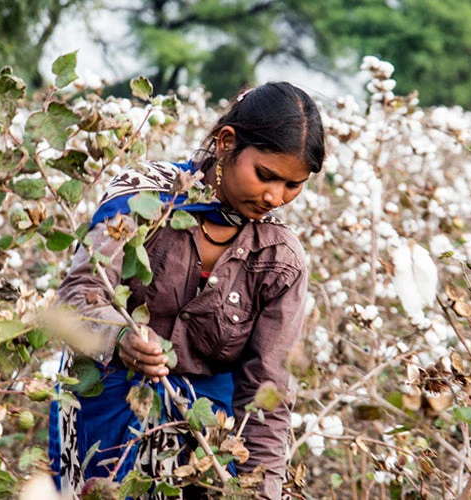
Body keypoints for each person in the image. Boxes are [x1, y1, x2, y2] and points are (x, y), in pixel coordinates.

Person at [49, 81, 325, 499]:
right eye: (266, 176)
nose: (275, 197)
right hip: (101, 426)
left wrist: (258, 491)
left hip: (201, 448)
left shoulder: (279, 259)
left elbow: (268, 391)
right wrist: (120, 337)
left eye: (293, 185)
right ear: (227, 143)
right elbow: (77, 297)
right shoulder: (144, 199)